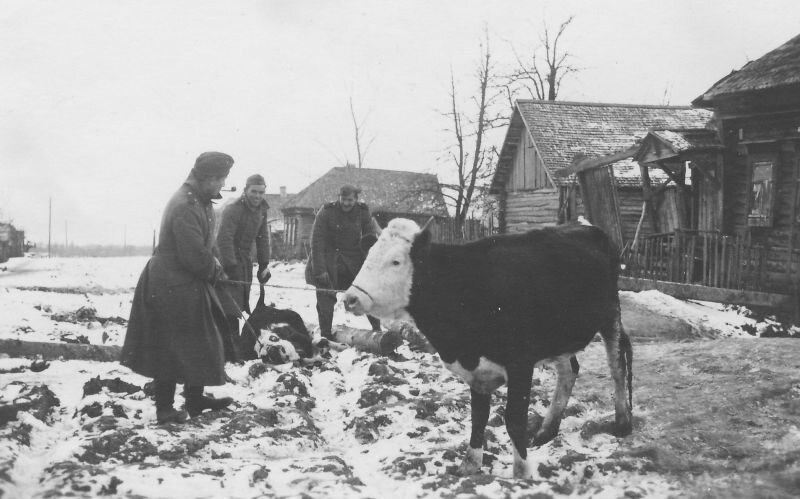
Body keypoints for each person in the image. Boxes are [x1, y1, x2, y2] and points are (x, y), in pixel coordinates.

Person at [121, 151, 235, 425]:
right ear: (208, 178)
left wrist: (217, 264)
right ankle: (165, 409)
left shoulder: (201, 201)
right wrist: (214, 269)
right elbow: (193, 254)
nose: (223, 185)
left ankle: (195, 399)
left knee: (199, 340)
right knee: (170, 346)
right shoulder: (186, 204)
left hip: (187, 282)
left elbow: (206, 245)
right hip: (170, 284)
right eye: (221, 180)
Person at [305, 184, 382, 340]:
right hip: (328, 261)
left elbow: (370, 240)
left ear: (356, 199)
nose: (347, 203)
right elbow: (316, 241)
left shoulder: (362, 212)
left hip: (352, 262)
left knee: (366, 293)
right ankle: (325, 335)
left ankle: (377, 331)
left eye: (350, 200)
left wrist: (370, 268)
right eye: (344, 199)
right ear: (338, 197)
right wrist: (319, 270)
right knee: (325, 297)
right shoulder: (326, 211)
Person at [215, 174, 272, 362]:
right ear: (245, 190)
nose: (257, 196)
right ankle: (228, 353)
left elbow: (263, 238)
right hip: (225, 261)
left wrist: (264, 265)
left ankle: (233, 350)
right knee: (228, 307)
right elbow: (224, 239)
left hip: (244, 262)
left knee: (237, 305)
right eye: (253, 191)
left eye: (261, 192)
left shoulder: (262, 210)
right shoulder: (233, 209)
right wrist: (229, 266)